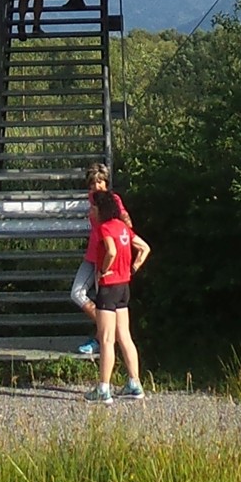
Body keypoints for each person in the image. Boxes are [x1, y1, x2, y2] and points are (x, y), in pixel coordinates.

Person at [85, 187, 150, 404]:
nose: (90, 211)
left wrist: (103, 270)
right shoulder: (123, 227)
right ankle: (134, 383)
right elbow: (144, 248)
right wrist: (134, 268)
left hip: (108, 287)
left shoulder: (104, 228)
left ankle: (103, 389)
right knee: (125, 336)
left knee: (106, 339)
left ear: (101, 209)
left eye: (93, 208)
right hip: (124, 286)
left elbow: (111, 251)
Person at [71, 162, 131, 356]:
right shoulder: (92, 199)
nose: (96, 187)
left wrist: (127, 230)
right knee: (77, 293)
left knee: (103, 299)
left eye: (100, 182)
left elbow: (124, 218)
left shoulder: (112, 199)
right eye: (92, 183)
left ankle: (100, 339)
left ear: (106, 182)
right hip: (92, 255)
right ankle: (105, 330)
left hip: (107, 258)